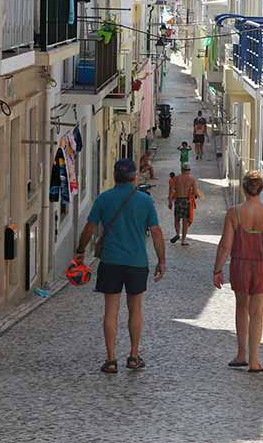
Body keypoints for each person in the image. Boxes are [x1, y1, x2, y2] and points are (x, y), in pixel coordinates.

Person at [74, 159, 167, 374]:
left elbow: (89, 228)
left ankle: (110, 359)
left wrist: (80, 250)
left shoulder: (104, 199)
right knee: (135, 309)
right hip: (137, 262)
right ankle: (133, 356)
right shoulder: (145, 201)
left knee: (110, 311)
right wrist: (161, 260)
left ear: (115, 176)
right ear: (134, 177)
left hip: (110, 261)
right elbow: (156, 232)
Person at [212, 171, 263, 373]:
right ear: (261, 189)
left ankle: (241, 354)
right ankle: (254, 361)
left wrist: (217, 269)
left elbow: (225, 245)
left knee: (241, 308)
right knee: (257, 313)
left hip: (240, 265)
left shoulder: (234, 213)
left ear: (243, 189)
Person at [168, 164, 202, 246]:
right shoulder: (191, 179)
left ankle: (177, 234)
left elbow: (171, 191)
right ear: (189, 170)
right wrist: (199, 196)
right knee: (185, 221)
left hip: (178, 201)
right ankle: (183, 240)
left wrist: (170, 201)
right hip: (186, 201)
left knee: (177, 219)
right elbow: (195, 192)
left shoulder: (175, 179)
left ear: (182, 169)